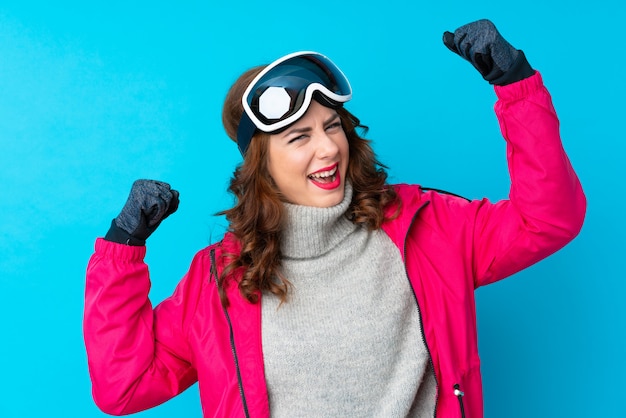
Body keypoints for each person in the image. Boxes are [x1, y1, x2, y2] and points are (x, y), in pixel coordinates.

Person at [84, 19, 586, 418]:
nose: (328, 149)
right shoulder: (219, 279)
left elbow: (546, 220)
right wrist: (121, 248)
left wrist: (516, 87)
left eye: (332, 127)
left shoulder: (427, 226)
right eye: (299, 138)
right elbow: (124, 387)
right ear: (261, 165)